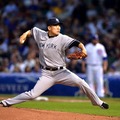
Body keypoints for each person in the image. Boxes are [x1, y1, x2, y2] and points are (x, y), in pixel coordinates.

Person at [0, 17, 109, 109]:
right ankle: (5, 103)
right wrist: (23, 35)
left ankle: (98, 102)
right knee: (33, 94)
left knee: (82, 83)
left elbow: (77, 43)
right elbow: (31, 31)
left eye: (59, 25)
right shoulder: (40, 34)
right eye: (55, 25)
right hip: (47, 74)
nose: (58, 27)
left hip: (62, 72)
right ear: (49, 28)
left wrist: (84, 50)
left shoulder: (62, 38)